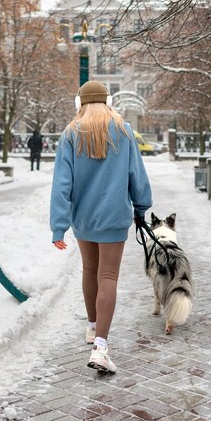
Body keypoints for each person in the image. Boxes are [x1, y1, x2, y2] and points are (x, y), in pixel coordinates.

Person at [50, 80, 152, 374]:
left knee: (89, 270)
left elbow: (61, 185)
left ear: (79, 103)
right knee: (108, 276)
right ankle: (102, 347)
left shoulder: (71, 134)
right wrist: (142, 207)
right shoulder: (123, 131)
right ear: (108, 102)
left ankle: (92, 325)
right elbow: (137, 174)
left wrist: (59, 226)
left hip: (84, 218)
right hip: (114, 216)